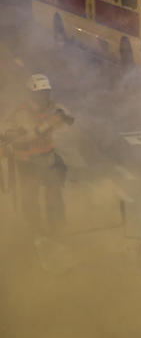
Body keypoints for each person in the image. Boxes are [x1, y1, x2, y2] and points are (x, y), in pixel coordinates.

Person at [4, 74, 74, 231]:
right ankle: (35, 232)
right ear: (31, 94)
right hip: (27, 162)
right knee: (30, 199)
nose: (43, 97)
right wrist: (49, 124)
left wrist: (63, 115)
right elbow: (27, 135)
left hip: (47, 159)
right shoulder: (22, 112)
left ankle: (58, 229)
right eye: (39, 93)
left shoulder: (52, 106)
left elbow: (69, 119)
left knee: (54, 195)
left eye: (46, 93)